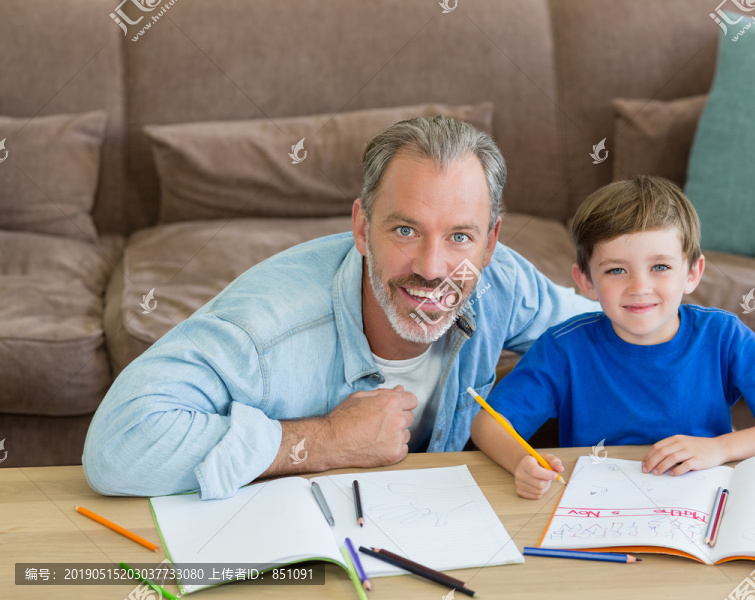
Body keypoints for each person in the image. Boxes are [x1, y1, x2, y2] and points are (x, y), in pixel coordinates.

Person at [82, 115, 595, 499]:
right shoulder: (264, 331)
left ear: (489, 243)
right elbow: (116, 449)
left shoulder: (498, 279)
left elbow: (619, 332)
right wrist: (326, 440)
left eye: (460, 235)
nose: (434, 268)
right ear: (361, 228)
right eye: (405, 230)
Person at [470, 176, 755, 499]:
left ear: (692, 273)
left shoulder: (723, 335)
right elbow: (488, 423)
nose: (640, 288)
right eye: (616, 270)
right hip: (597, 507)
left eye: (660, 267)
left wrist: (720, 448)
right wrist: (521, 462)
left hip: (702, 501)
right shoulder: (563, 348)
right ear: (586, 282)